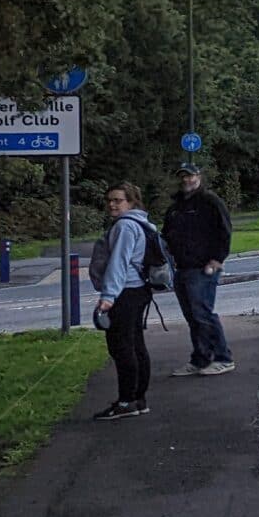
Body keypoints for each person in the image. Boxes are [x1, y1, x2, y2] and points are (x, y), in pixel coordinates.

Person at [90, 181, 163, 419]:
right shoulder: (142, 223)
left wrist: (108, 297)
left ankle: (126, 402)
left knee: (122, 348)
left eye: (118, 200)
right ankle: (139, 399)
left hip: (125, 292)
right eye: (109, 200)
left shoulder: (124, 227)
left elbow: (118, 263)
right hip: (139, 290)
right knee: (136, 345)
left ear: (131, 202)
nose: (112, 204)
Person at [161, 163, 235, 375]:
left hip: (203, 267)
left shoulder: (210, 201)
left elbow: (224, 230)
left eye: (190, 175)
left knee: (203, 313)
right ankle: (201, 358)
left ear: (199, 176)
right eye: (183, 176)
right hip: (181, 267)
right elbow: (167, 234)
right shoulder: (176, 206)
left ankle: (223, 357)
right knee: (193, 316)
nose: (186, 180)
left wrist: (217, 259)